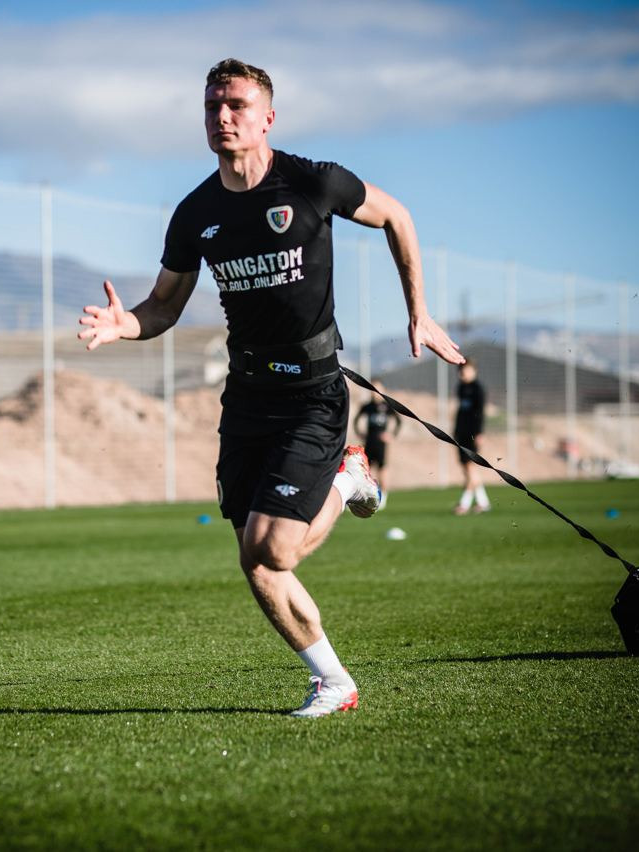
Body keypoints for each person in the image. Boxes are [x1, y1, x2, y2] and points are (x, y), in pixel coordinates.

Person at [78, 58, 462, 717]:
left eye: (236, 105)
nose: (222, 117)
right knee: (258, 559)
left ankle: (336, 673)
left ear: (267, 118)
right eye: (212, 106)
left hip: (313, 397)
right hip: (247, 399)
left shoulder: (313, 182)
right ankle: (346, 503)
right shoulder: (195, 213)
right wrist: (126, 324)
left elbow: (397, 216)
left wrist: (418, 311)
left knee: (269, 554)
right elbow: (164, 306)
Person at [452, 359, 490, 514]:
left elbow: (480, 413)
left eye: (466, 370)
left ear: (474, 371)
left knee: (470, 466)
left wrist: (479, 433)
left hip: (473, 434)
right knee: (467, 468)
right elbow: (460, 411)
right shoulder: (461, 388)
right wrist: (456, 430)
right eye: (460, 370)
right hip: (461, 433)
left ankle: (465, 503)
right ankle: (483, 502)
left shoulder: (478, 389)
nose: (462, 373)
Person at [353, 383, 402, 497]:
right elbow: (356, 421)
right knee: (366, 469)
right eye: (373, 390)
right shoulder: (367, 406)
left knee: (382, 468)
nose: (375, 393)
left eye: (378, 390)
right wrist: (360, 433)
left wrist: (392, 435)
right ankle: (366, 495)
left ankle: (383, 495)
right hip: (369, 442)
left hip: (381, 443)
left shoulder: (387, 406)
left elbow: (398, 421)